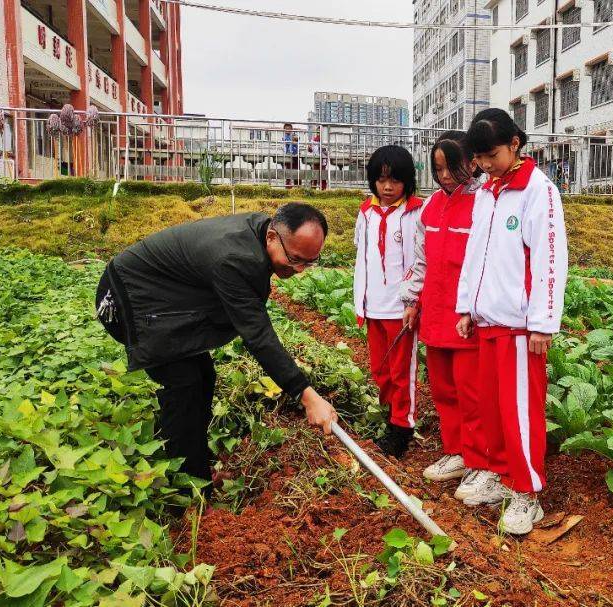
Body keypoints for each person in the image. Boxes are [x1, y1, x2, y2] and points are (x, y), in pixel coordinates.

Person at [94, 203, 340, 495]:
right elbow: (257, 333)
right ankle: (189, 491)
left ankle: (186, 455)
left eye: (309, 262)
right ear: (272, 237)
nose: (298, 270)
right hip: (128, 301)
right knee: (185, 383)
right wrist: (306, 395)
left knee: (203, 376)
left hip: (163, 297)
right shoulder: (234, 258)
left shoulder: (259, 235)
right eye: (295, 259)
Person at [455, 108, 568, 535]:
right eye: (479, 158)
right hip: (488, 320)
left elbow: (550, 259)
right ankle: (499, 475)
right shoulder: (487, 192)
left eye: (492, 155)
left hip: (520, 326)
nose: (484, 164)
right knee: (492, 407)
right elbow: (474, 256)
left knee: (520, 411)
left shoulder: (538, 191)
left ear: (515, 144)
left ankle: (527, 492)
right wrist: (466, 307)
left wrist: (542, 322)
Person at [399, 131, 489, 493]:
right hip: (434, 312)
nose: (446, 175)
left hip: (468, 316)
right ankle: (456, 452)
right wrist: (412, 301)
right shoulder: (430, 207)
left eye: (452, 167)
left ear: (472, 163)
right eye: (438, 169)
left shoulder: (484, 203)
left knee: (472, 391)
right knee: (443, 390)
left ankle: (479, 459)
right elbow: (420, 260)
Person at [354, 145, 424, 458]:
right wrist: (361, 303)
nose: (387, 187)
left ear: (406, 182)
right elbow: (362, 257)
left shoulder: (415, 213)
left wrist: (414, 301)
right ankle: (389, 416)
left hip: (400, 308)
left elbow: (421, 260)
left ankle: (401, 429)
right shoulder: (365, 213)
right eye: (381, 180)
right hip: (374, 307)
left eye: (395, 180)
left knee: (401, 372)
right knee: (379, 370)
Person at [282, 123, 300, 190]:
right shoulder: (284, 137)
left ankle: (298, 187)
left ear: (292, 129)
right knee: (288, 172)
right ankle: (288, 187)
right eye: (286, 129)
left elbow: (297, 141)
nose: (288, 130)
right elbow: (285, 143)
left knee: (297, 172)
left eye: (289, 129)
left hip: (295, 156)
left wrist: (295, 140)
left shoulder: (294, 135)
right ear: (284, 130)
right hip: (288, 156)